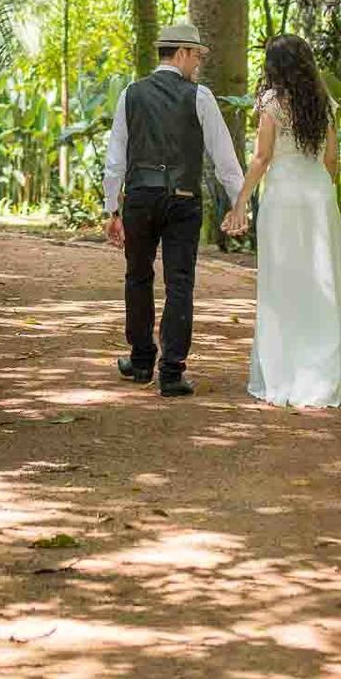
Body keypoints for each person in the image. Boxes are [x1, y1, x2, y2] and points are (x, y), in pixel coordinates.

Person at [104, 23, 245, 398]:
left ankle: (140, 361)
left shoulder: (130, 95)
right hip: (183, 199)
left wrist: (111, 209)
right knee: (180, 282)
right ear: (181, 52)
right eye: (197, 55)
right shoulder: (200, 97)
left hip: (139, 199)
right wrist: (241, 203)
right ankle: (171, 373)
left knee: (137, 276)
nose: (198, 64)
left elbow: (115, 158)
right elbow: (224, 159)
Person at [222, 33, 341, 408]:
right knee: (323, 280)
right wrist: (321, 189)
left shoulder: (271, 102)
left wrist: (240, 204)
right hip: (317, 195)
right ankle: (326, 375)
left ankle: (287, 372)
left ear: (274, 66)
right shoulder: (324, 103)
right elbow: (331, 159)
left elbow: (262, 157)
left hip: (283, 197)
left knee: (282, 283)